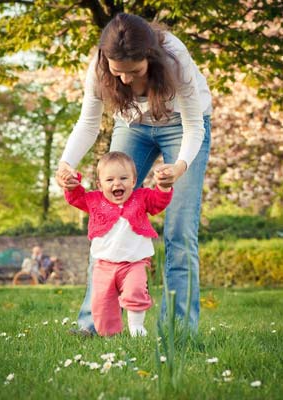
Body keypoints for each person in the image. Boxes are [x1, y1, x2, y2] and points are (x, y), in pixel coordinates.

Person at [56, 13, 212, 335]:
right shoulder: (100, 66)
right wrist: (66, 164)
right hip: (133, 127)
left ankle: (178, 331)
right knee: (106, 218)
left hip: (181, 128)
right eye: (118, 72)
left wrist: (179, 167)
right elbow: (87, 123)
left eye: (135, 71)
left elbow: (195, 126)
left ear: (150, 57)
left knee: (180, 233)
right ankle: (93, 324)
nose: (125, 80)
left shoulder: (174, 57)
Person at [64, 151, 173, 336]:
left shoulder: (141, 197)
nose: (117, 183)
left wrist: (163, 188)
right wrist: (72, 184)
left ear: (133, 181)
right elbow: (76, 197)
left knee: (135, 291)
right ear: (100, 185)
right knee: (101, 302)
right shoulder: (94, 200)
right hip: (104, 265)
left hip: (135, 263)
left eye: (124, 178)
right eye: (110, 180)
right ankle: (110, 336)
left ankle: (136, 327)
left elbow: (158, 202)